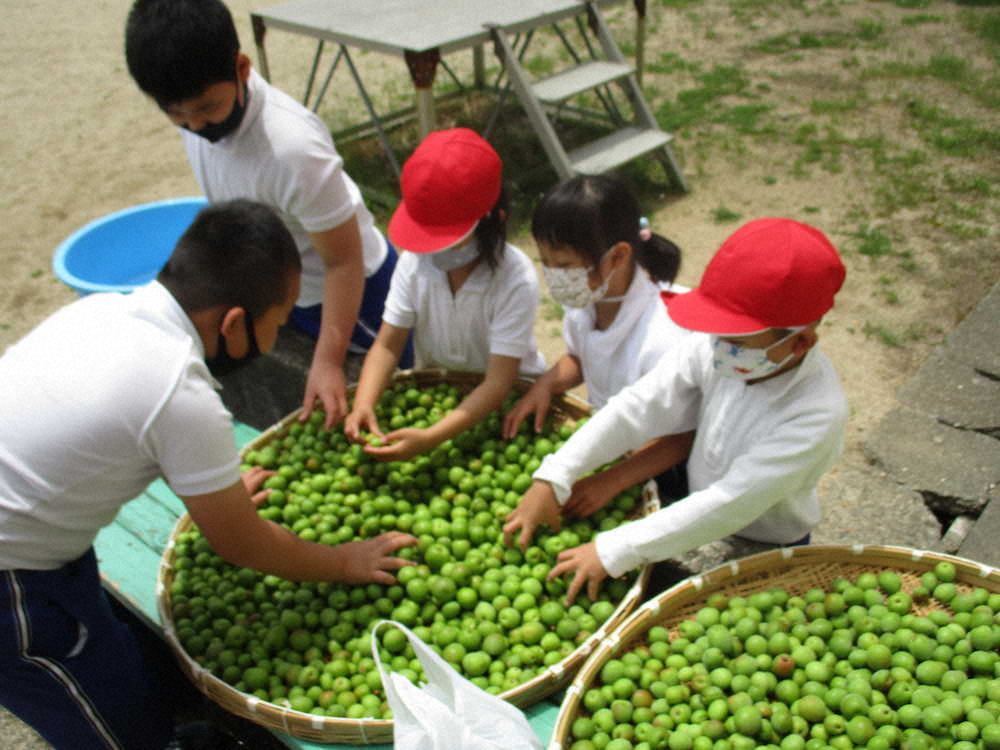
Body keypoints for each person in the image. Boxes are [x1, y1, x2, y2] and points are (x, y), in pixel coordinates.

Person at [0, 200, 415, 750]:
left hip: (41, 542)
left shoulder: (102, 312)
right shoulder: (180, 390)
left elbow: (112, 427)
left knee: (116, 660)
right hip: (12, 584)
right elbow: (242, 545)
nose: (277, 335)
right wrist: (344, 560)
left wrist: (213, 493)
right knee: (102, 724)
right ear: (234, 323)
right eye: (279, 321)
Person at [503, 217, 849, 604]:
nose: (718, 343)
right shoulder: (718, 349)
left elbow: (731, 502)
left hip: (765, 539)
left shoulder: (815, 415)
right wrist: (556, 474)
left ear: (799, 342)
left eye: (733, 337)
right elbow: (640, 405)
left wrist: (614, 548)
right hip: (695, 509)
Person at [124, 0, 410, 430]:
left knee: (385, 402)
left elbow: (344, 260)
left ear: (241, 68)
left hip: (357, 292)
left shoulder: (291, 148)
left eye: (207, 108)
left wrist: (329, 360)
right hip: (290, 285)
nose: (197, 126)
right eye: (177, 115)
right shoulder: (199, 124)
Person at [344, 128, 546, 462]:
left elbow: (498, 383)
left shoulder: (514, 277)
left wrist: (431, 438)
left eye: (450, 240)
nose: (437, 252)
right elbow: (387, 344)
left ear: (494, 219)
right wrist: (363, 404)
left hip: (509, 401)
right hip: (440, 389)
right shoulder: (414, 264)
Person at [502, 173, 689, 437]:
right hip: (605, 438)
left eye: (564, 266)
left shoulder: (664, 339)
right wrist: (545, 384)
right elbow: (582, 357)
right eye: (545, 262)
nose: (554, 275)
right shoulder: (589, 299)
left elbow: (671, 439)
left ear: (618, 256)